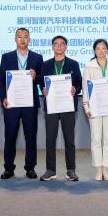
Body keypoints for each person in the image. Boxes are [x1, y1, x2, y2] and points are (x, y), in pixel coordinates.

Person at [0, 27, 43, 179]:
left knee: (31, 136)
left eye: (25, 36)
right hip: (12, 103)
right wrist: (3, 97)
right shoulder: (6, 57)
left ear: (29, 39)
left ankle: (30, 168)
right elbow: (1, 80)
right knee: (10, 136)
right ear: (15, 39)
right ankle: (8, 168)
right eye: (20, 37)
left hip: (30, 104)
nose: (23, 39)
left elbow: (42, 80)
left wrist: (36, 77)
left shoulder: (37, 57)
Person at [39, 35, 83, 182]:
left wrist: (75, 89)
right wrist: (43, 90)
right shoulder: (45, 64)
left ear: (66, 47)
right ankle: (50, 170)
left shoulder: (73, 64)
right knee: (50, 139)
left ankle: (71, 170)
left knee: (69, 139)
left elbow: (79, 83)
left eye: (62, 44)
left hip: (67, 106)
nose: (59, 46)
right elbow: (41, 83)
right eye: (56, 44)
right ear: (52, 47)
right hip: (51, 106)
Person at [81, 39, 108, 181]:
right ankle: (98, 169)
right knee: (96, 138)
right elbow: (85, 88)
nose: (101, 51)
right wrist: (86, 107)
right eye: (98, 48)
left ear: (107, 50)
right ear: (94, 51)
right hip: (95, 108)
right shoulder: (89, 66)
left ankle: (106, 169)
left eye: (103, 48)